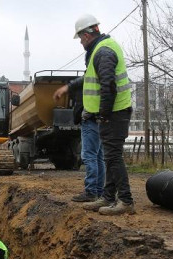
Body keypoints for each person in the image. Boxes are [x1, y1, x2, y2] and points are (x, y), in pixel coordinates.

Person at [53, 14, 135, 215]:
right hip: (111, 113)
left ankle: (125, 200)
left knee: (113, 157)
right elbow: (90, 79)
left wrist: (104, 115)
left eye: (80, 38)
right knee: (108, 157)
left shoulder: (103, 52)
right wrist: (68, 87)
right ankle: (107, 198)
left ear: (87, 35)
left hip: (114, 113)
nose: (80, 42)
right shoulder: (100, 51)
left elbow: (108, 86)